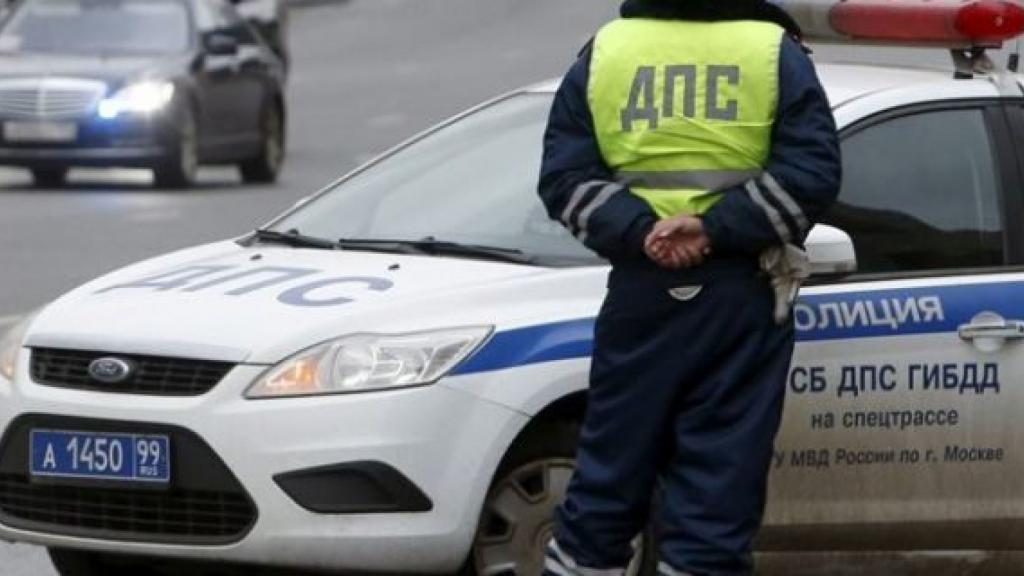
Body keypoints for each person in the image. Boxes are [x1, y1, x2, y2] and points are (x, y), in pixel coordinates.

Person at [536, 0, 841, 574]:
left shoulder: (608, 51)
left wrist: (641, 231)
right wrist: (713, 231)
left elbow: (564, 179)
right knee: (717, 488)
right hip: (740, 291)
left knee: (608, 474)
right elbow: (812, 174)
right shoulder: (772, 52)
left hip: (641, 288)